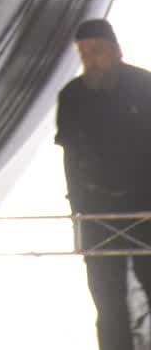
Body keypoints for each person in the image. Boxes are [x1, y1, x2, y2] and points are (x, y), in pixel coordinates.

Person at [56, 18, 151, 350]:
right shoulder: (73, 96)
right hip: (97, 212)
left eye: (96, 50)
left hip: (145, 207)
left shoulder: (144, 86)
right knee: (108, 302)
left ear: (115, 49)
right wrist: (78, 215)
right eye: (83, 53)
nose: (91, 59)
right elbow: (70, 158)